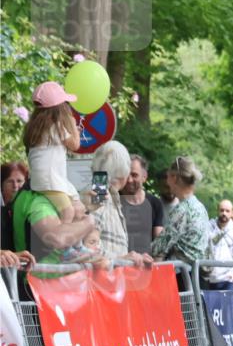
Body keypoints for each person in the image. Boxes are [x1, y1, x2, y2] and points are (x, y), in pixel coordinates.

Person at [22, 82, 83, 225]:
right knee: (68, 211)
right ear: (60, 109)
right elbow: (75, 145)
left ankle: (75, 243)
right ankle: (64, 245)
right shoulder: (56, 127)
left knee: (77, 205)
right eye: (65, 104)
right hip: (51, 181)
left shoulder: (36, 127)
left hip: (44, 179)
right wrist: (73, 124)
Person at [86, 141, 152, 265]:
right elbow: (89, 247)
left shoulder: (107, 193)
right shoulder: (100, 193)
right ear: (124, 171)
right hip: (102, 281)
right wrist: (122, 259)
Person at [150, 157, 210, 267]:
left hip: (183, 278)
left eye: (167, 176)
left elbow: (158, 247)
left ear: (174, 178)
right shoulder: (200, 207)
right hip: (197, 277)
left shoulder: (182, 210)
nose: (167, 181)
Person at [121, 153, 165, 254]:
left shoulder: (155, 203)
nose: (129, 180)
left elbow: (159, 240)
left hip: (146, 264)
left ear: (144, 177)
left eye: (134, 175)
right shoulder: (113, 202)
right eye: (126, 174)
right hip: (120, 264)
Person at [205, 199, 233, 290]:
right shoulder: (208, 228)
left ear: (232, 213)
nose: (224, 213)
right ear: (218, 211)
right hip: (209, 278)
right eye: (222, 210)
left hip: (228, 279)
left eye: (227, 211)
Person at [1, 161, 29, 252]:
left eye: (19, 181)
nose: (15, 186)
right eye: (10, 181)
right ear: (1, 184)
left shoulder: (27, 206)